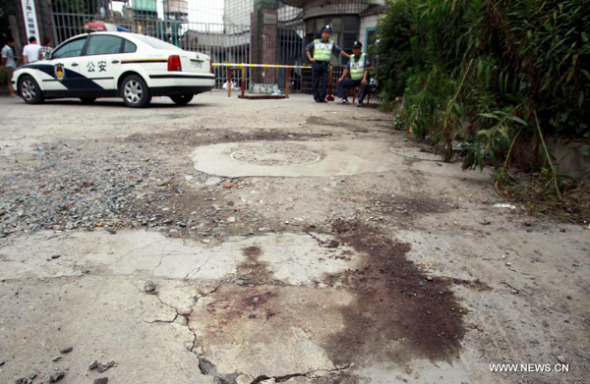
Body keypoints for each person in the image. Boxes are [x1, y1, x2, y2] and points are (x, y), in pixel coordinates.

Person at [305, 25, 350, 103]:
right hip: (316, 64)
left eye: (328, 33)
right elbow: (307, 48)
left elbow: (339, 51)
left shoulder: (331, 43)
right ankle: (317, 98)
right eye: (325, 33)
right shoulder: (316, 42)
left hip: (325, 65)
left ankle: (322, 98)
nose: (327, 35)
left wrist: (349, 56)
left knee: (325, 82)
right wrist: (310, 58)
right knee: (316, 82)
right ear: (322, 34)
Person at [337, 41, 371, 107]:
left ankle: (360, 101)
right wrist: (342, 77)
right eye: (354, 49)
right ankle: (344, 99)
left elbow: (366, 68)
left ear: (360, 49)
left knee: (364, 84)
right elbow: (347, 68)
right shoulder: (351, 57)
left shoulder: (364, 56)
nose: (355, 50)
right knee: (340, 82)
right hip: (353, 79)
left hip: (362, 79)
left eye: (357, 49)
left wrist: (364, 78)